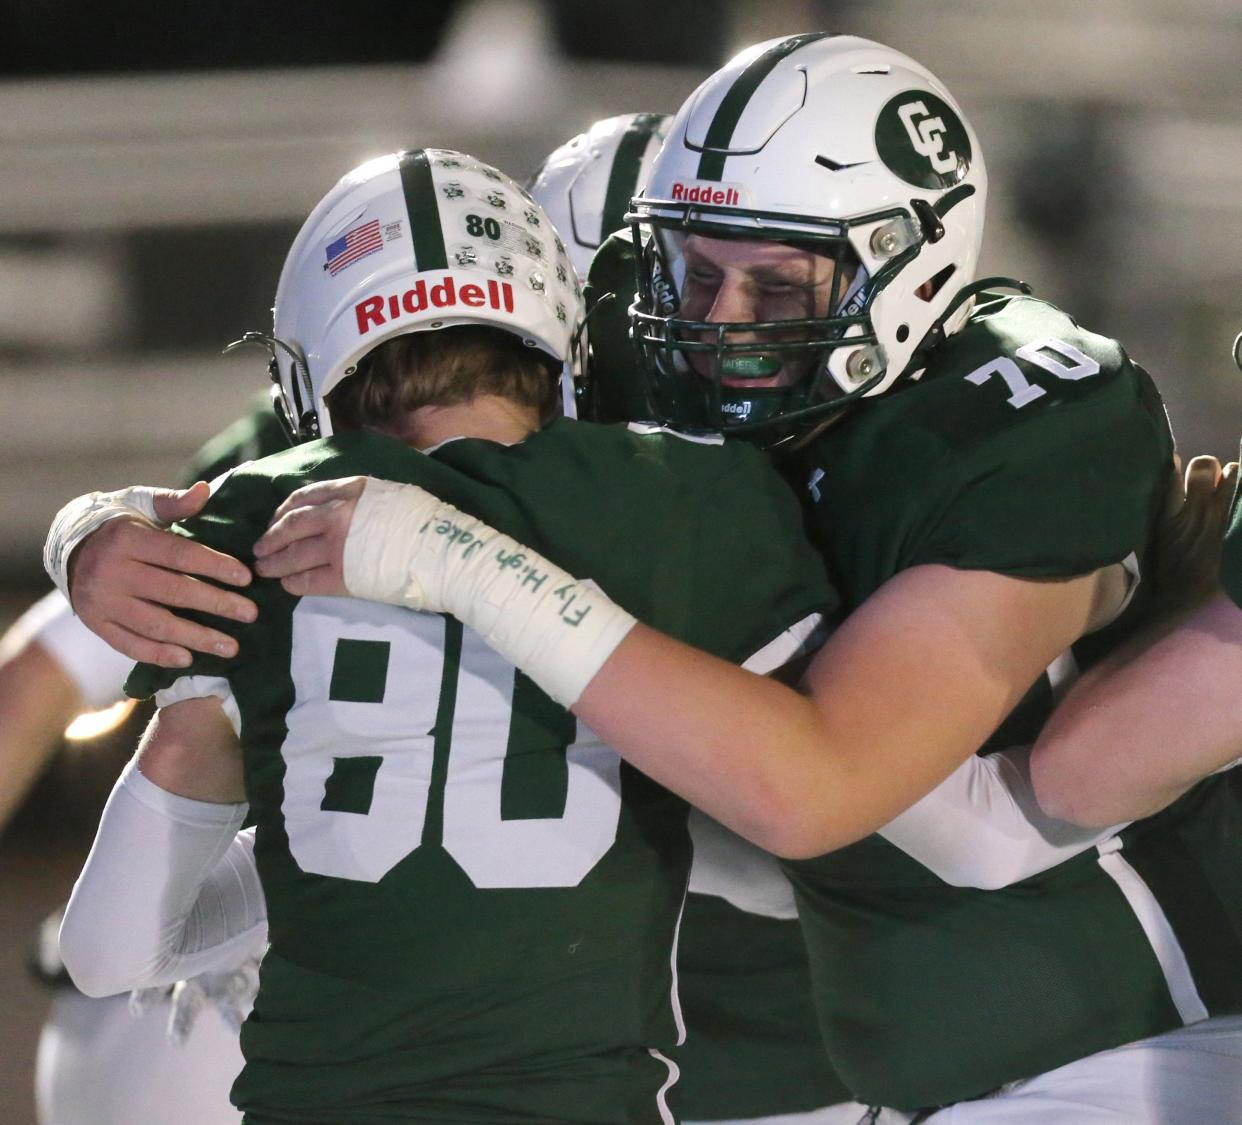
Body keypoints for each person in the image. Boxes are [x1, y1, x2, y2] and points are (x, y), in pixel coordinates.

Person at [233, 35, 1242, 1122]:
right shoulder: (643, 344)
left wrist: (480, 575)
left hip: (1130, 1032)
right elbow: (377, 453)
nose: (717, 326)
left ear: (910, 264)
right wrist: (103, 538)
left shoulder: (1010, 419)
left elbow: (855, 798)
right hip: (932, 1066)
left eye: (773, 284)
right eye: (696, 273)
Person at [58, 148, 838, 1124]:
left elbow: (108, 953)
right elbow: (816, 829)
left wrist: (85, 528)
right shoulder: (683, 496)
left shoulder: (259, 516)